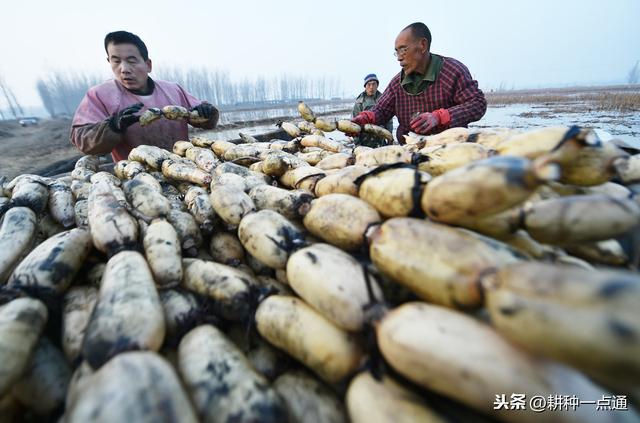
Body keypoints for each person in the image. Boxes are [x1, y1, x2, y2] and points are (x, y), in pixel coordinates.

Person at [71, 31, 218, 162]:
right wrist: (113, 126)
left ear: (148, 65)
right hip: (138, 176)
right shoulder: (100, 95)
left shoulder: (173, 90)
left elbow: (206, 119)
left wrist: (207, 112)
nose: (124, 69)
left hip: (183, 166)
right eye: (116, 61)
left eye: (131, 60)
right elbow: (82, 139)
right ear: (109, 61)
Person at [352, 22, 486, 144]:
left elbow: (477, 104)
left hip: (449, 149)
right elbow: (381, 109)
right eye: (396, 51)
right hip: (411, 151)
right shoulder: (397, 84)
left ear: (422, 45)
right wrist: (365, 118)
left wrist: (439, 117)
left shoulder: (453, 71)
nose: (399, 57)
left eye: (403, 49)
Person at [352, 73, 394, 147]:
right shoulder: (359, 102)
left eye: (374, 84)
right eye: (369, 84)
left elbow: (389, 121)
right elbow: (354, 125)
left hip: (380, 138)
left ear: (377, 85)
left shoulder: (383, 99)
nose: (371, 87)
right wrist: (357, 144)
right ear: (365, 86)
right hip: (364, 140)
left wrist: (389, 138)